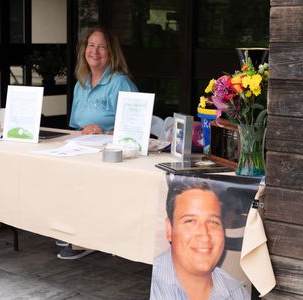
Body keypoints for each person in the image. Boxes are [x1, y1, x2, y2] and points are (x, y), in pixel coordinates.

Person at [57, 26, 138, 260]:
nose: (95, 51)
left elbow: (135, 129)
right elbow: (76, 126)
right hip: (83, 147)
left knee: (82, 177)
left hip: (110, 153)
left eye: (102, 46)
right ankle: (73, 227)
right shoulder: (81, 83)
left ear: (111, 53)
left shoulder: (120, 83)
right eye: (91, 45)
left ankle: (86, 238)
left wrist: (104, 131)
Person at [150, 179, 250, 300]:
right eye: (190, 221)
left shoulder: (237, 294)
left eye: (213, 222)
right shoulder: (145, 285)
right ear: (169, 229)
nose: (204, 234)